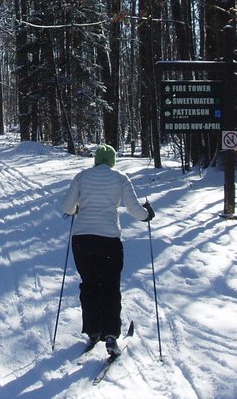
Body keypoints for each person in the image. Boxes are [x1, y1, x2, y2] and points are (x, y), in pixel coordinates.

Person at [60, 143, 154, 358]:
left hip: (82, 240)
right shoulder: (120, 178)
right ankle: (110, 335)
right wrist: (147, 215)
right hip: (109, 241)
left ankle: (92, 330)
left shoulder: (82, 176)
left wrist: (77, 209)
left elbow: (66, 207)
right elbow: (134, 209)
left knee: (90, 285)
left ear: (95, 160)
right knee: (110, 287)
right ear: (112, 160)